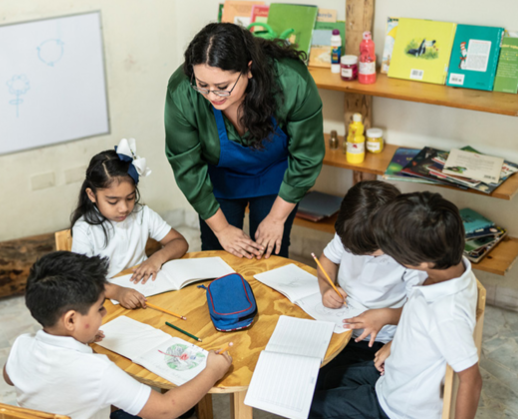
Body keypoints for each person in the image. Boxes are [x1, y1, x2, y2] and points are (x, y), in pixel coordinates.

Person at [310, 192, 482, 419]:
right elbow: (418, 320)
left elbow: (472, 381)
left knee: (306, 405)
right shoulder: (452, 267)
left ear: (420, 262)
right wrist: (396, 344)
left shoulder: (446, 311)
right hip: (391, 375)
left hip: (399, 408)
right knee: (323, 378)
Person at [3, 252, 232, 419]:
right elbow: (165, 409)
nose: (104, 313)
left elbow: (9, 377)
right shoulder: (98, 371)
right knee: (179, 410)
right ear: (71, 320)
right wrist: (212, 370)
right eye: (99, 308)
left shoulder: (22, 345)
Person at [165, 23, 325, 259]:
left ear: (248, 69)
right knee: (218, 256)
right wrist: (222, 230)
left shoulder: (292, 82)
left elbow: (307, 157)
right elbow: (186, 168)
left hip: (274, 176)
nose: (212, 96)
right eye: (203, 86)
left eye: (222, 87)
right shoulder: (183, 90)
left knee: (270, 254)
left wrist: (276, 218)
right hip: (220, 179)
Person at [316, 181, 426, 368]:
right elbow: (327, 259)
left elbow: (423, 310)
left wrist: (386, 316)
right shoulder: (351, 230)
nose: (365, 257)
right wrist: (327, 287)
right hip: (339, 326)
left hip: (379, 338)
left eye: (371, 253)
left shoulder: (412, 256)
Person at [71, 139, 188, 308]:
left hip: (145, 291)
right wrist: (118, 292)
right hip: (104, 300)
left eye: (130, 198)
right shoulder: (84, 229)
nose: (124, 208)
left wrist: (157, 258)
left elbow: (180, 242)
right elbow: (83, 280)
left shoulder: (142, 214)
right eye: (113, 201)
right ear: (91, 195)